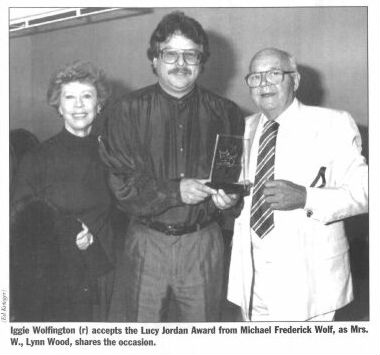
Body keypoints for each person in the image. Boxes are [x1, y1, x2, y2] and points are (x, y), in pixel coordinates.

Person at [99, 11, 244, 322]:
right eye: (170, 54)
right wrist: (175, 190)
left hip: (203, 244)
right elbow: (120, 185)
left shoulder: (227, 113)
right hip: (146, 242)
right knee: (142, 335)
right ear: (154, 60)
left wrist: (230, 199)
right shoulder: (125, 112)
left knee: (202, 333)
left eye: (190, 54)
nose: (181, 63)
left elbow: (230, 179)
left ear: (201, 62)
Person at [227, 48, 368, 321]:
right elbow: (239, 195)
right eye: (255, 77)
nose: (264, 83)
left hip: (310, 282)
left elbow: (365, 192)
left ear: (296, 80)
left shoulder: (333, 124)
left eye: (274, 73)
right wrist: (228, 200)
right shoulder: (241, 129)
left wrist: (306, 198)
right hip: (251, 278)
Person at [11, 61, 115, 322]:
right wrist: (70, 232)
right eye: (69, 97)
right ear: (59, 106)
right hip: (53, 277)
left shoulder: (112, 154)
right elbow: (20, 222)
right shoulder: (38, 158)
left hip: (100, 268)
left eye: (87, 96)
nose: (78, 105)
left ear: (99, 104)